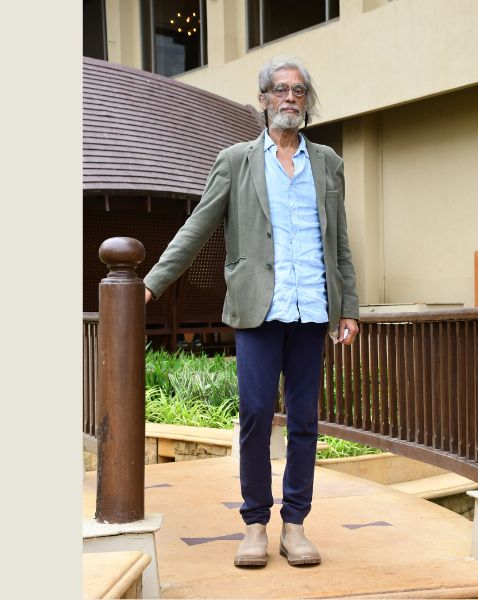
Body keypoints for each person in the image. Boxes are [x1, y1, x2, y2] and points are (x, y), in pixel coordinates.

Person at [143, 55, 359, 568]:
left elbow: (340, 243)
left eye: (299, 91)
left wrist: (348, 306)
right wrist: (150, 284)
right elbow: (197, 227)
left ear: (306, 101)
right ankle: (255, 525)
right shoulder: (236, 160)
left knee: (304, 421)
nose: (290, 98)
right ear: (263, 99)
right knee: (257, 415)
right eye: (281, 89)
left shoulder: (327, 162)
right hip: (258, 310)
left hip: (312, 309)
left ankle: (295, 526)